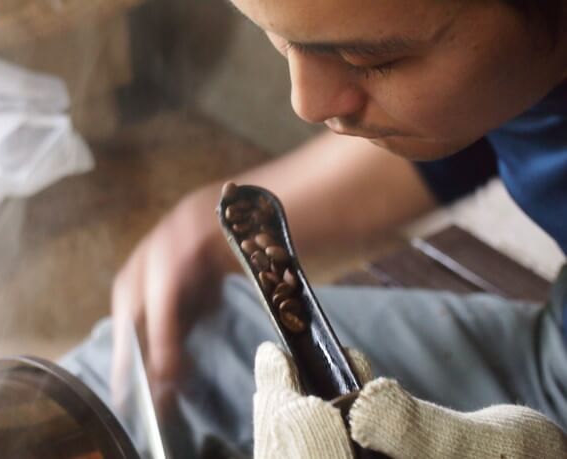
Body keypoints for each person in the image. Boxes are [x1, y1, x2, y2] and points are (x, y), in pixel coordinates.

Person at [62, 0, 567, 457]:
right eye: (280, 38)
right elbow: (472, 121)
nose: (305, 103)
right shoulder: (518, 64)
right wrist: (205, 233)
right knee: (127, 378)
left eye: (367, 59)